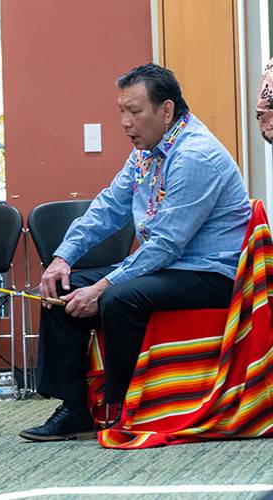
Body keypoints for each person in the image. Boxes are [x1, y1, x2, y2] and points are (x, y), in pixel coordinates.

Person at [20, 63, 250, 442]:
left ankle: (125, 407)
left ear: (166, 110)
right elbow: (109, 207)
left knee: (119, 298)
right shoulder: (147, 151)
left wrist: (102, 286)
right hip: (169, 266)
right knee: (61, 288)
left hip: (210, 273)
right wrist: (63, 257)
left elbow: (165, 244)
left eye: (135, 111)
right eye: (121, 111)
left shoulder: (195, 155)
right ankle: (74, 406)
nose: (125, 122)